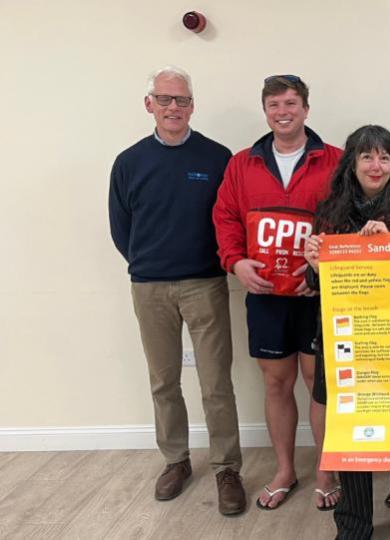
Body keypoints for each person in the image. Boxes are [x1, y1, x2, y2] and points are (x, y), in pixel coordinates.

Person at [108, 65, 246, 516]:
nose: (173, 107)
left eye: (181, 100)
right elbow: (121, 227)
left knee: (215, 383)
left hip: (205, 283)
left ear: (192, 105)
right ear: (149, 104)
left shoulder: (217, 158)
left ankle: (227, 468)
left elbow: (229, 219)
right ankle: (176, 460)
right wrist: (148, 264)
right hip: (149, 288)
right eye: (165, 99)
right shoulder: (129, 162)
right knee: (164, 382)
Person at [212, 75, 343, 510]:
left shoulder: (335, 161)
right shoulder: (241, 164)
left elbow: (346, 220)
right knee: (276, 383)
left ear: (306, 108)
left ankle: (327, 470)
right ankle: (285, 469)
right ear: (265, 111)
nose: (283, 111)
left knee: (318, 382)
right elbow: (226, 217)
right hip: (265, 295)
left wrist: (323, 271)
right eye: (274, 104)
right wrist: (235, 262)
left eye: (291, 103)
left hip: (315, 296)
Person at [303, 125, 390, 539]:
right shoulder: (329, 211)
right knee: (352, 435)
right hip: (348, 342)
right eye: (367, 157)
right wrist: (314, 265)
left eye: (384, 157)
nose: (376, 165)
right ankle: (353, 523)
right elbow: (317, 286)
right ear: (352, 164)